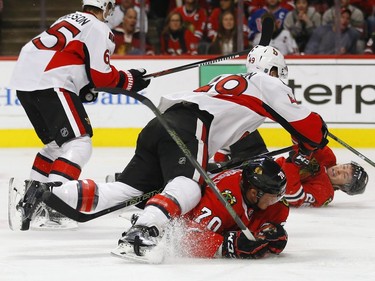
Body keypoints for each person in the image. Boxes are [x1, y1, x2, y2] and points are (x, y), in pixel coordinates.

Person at [15, 45, 328, 257]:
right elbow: (310, 130)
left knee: (126, 190)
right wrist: (316, 139)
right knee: (187, 186)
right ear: (275, 71)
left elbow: (234, 142)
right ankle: (142, 231)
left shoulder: (237, 85)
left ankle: (45, 192)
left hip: (163, 123)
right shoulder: (267, 84)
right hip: (190, 126)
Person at [9, 0, 150, 229]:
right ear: (104, 7)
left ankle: (31, 202)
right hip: (51, 83)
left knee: (57, 145)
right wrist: (131, 79)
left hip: (25, 82)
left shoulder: (67, 18)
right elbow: (102, 76)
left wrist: (84, 89)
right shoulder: (98, 27)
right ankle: (54, 203)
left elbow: (74, 63)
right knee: (79, 144)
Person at [113, 157, 289, 260]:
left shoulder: (250, 192)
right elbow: (187, 238)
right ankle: (148, 219)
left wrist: (266, 231)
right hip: (177, 212)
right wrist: (229, 246)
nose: (277, 201)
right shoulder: (221, 204)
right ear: (253, 192)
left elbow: (266, 216)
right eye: (273, 197)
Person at [276, 146, 369, 207]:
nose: (339, 170)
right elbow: (304, 141)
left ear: (343, 187)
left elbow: (291, 194)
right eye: (344, 166)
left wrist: (292, 163)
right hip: (271, 164)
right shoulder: (327, 156)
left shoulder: (324, 193)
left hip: (268, 187)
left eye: (344, 176)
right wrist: (316, 131)